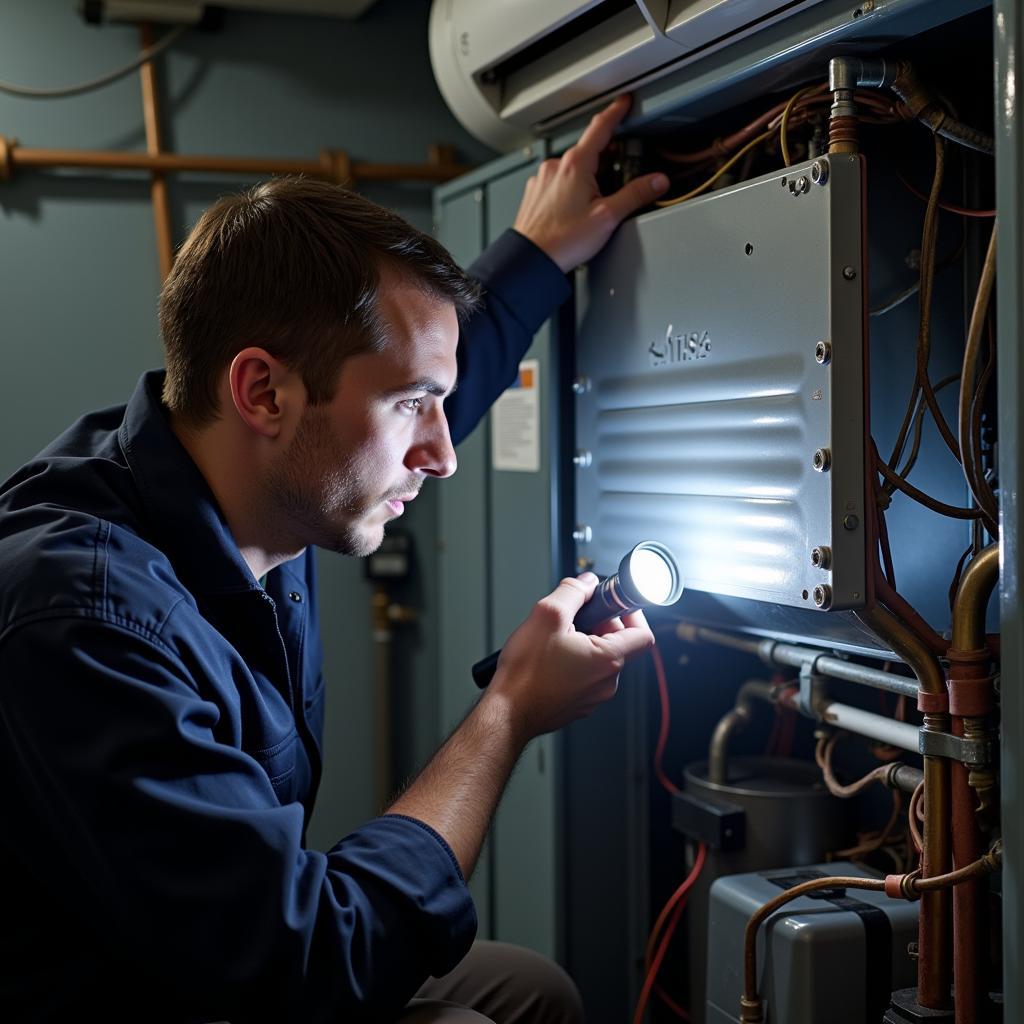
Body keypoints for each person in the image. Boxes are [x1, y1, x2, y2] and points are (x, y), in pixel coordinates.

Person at [0, 98, 669, 1022]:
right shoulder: (84, 616)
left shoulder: (245, 467)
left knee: (532, 991)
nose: (442, 451)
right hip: (130, 991)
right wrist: (509, 708)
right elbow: (309, 960)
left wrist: (538, 253)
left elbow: (397, 389)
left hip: (197, 951)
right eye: (412, 406)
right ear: (263, 391)